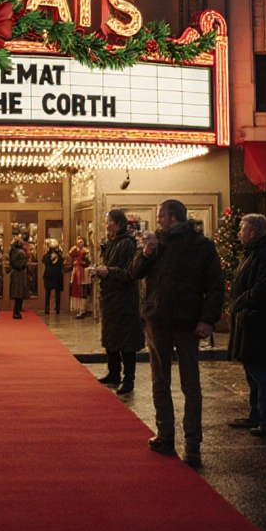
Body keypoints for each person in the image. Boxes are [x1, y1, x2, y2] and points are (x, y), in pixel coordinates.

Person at [129, 200, 225, 467]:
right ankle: (165, 435)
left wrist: (208, 319)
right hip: (158, 320)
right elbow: (134, 273)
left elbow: (215, 286)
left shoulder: (201, 246)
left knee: (190, 384)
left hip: (187, 322)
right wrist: (145, 254)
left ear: (172, 217)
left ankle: (192, 443)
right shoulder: (156, 244)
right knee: (160, 380)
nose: (157, 220)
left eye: (160, 215)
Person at [227, 214, 266, 439]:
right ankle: (256, 413)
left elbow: (262, 288)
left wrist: (241, 303)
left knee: (262, 371)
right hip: (249, 320)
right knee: (252, 370)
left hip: (260, 322)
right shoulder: (253, 253)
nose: (239, 233)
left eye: (242, 229)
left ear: (253, 233)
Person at [91, 209, 143, 395]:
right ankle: (114, 373)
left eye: (108, 222)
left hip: (124, 300)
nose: (106, 226)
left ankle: (129, 378)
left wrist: (108, 272)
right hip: (111, 298)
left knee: (126, 342)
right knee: (111, 336)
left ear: (118, 224)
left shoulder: (127, 244)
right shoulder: (112, 243)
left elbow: (129, 273)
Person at [7, 237, 31, 319]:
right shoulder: (21, 253)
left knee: (17, 294)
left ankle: (17, 311)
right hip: (19, 275)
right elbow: (21, 265)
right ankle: (16, 312)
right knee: (19, 294)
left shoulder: (12, 252)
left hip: (15, 274)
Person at [68, 236, 90, 319]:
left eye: (81, 242)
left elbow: (88, 261)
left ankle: (83, 309)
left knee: (83, 291)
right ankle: (78, 309)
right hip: (76, 273)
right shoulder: (74, 250)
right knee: (76, 290)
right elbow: (69, 256)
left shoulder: (86, 251)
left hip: (83, 273)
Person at [42, 240, 64, 315]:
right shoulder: (60, 257)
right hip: (57, 276)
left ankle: (47, 308)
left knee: (47, 293)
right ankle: (57, 308)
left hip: (48, 275)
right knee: (57, 293)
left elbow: (43, 261)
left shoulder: (46, 256)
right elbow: (62, 263)